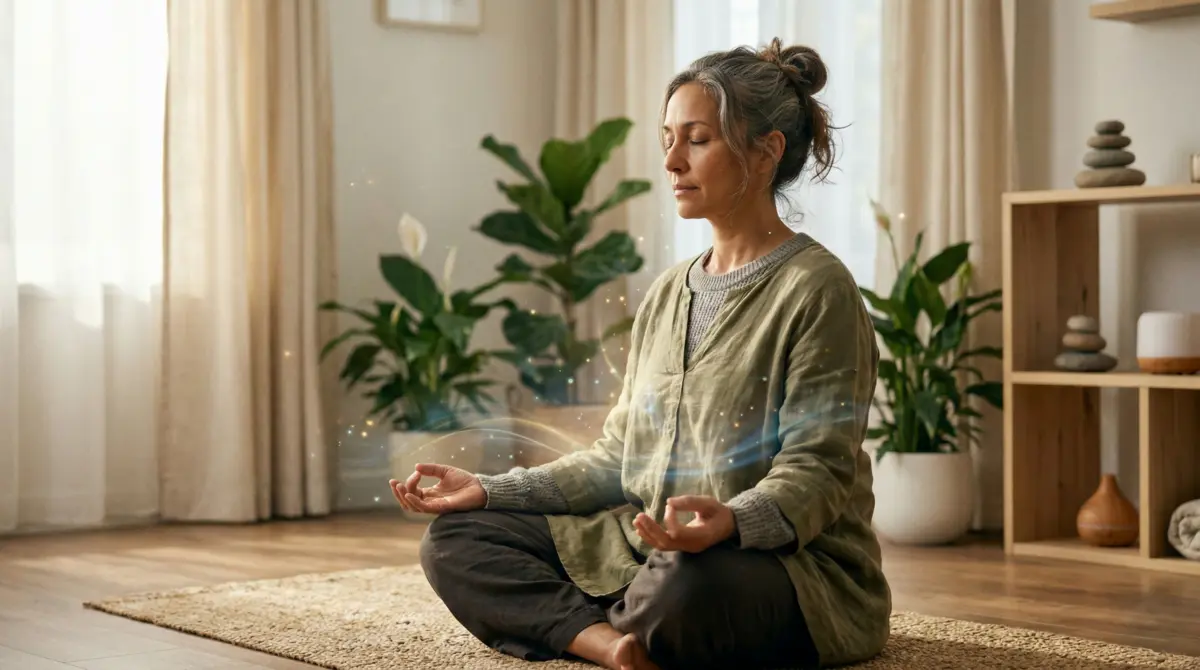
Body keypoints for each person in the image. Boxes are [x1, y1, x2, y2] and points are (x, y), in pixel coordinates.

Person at [390, 37, 891, 670]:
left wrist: (729, 524)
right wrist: (489, 490)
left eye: (697, 140)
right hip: (645, 549)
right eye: (667, 141)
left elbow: (819, 470)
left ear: (766, 152)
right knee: (456, 540)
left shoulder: (818, 288)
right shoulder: (666, 293)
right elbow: (614, 461)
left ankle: (583, 622)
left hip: (779, 567)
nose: (673, 162)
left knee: (691, 587)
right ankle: (610, 642)